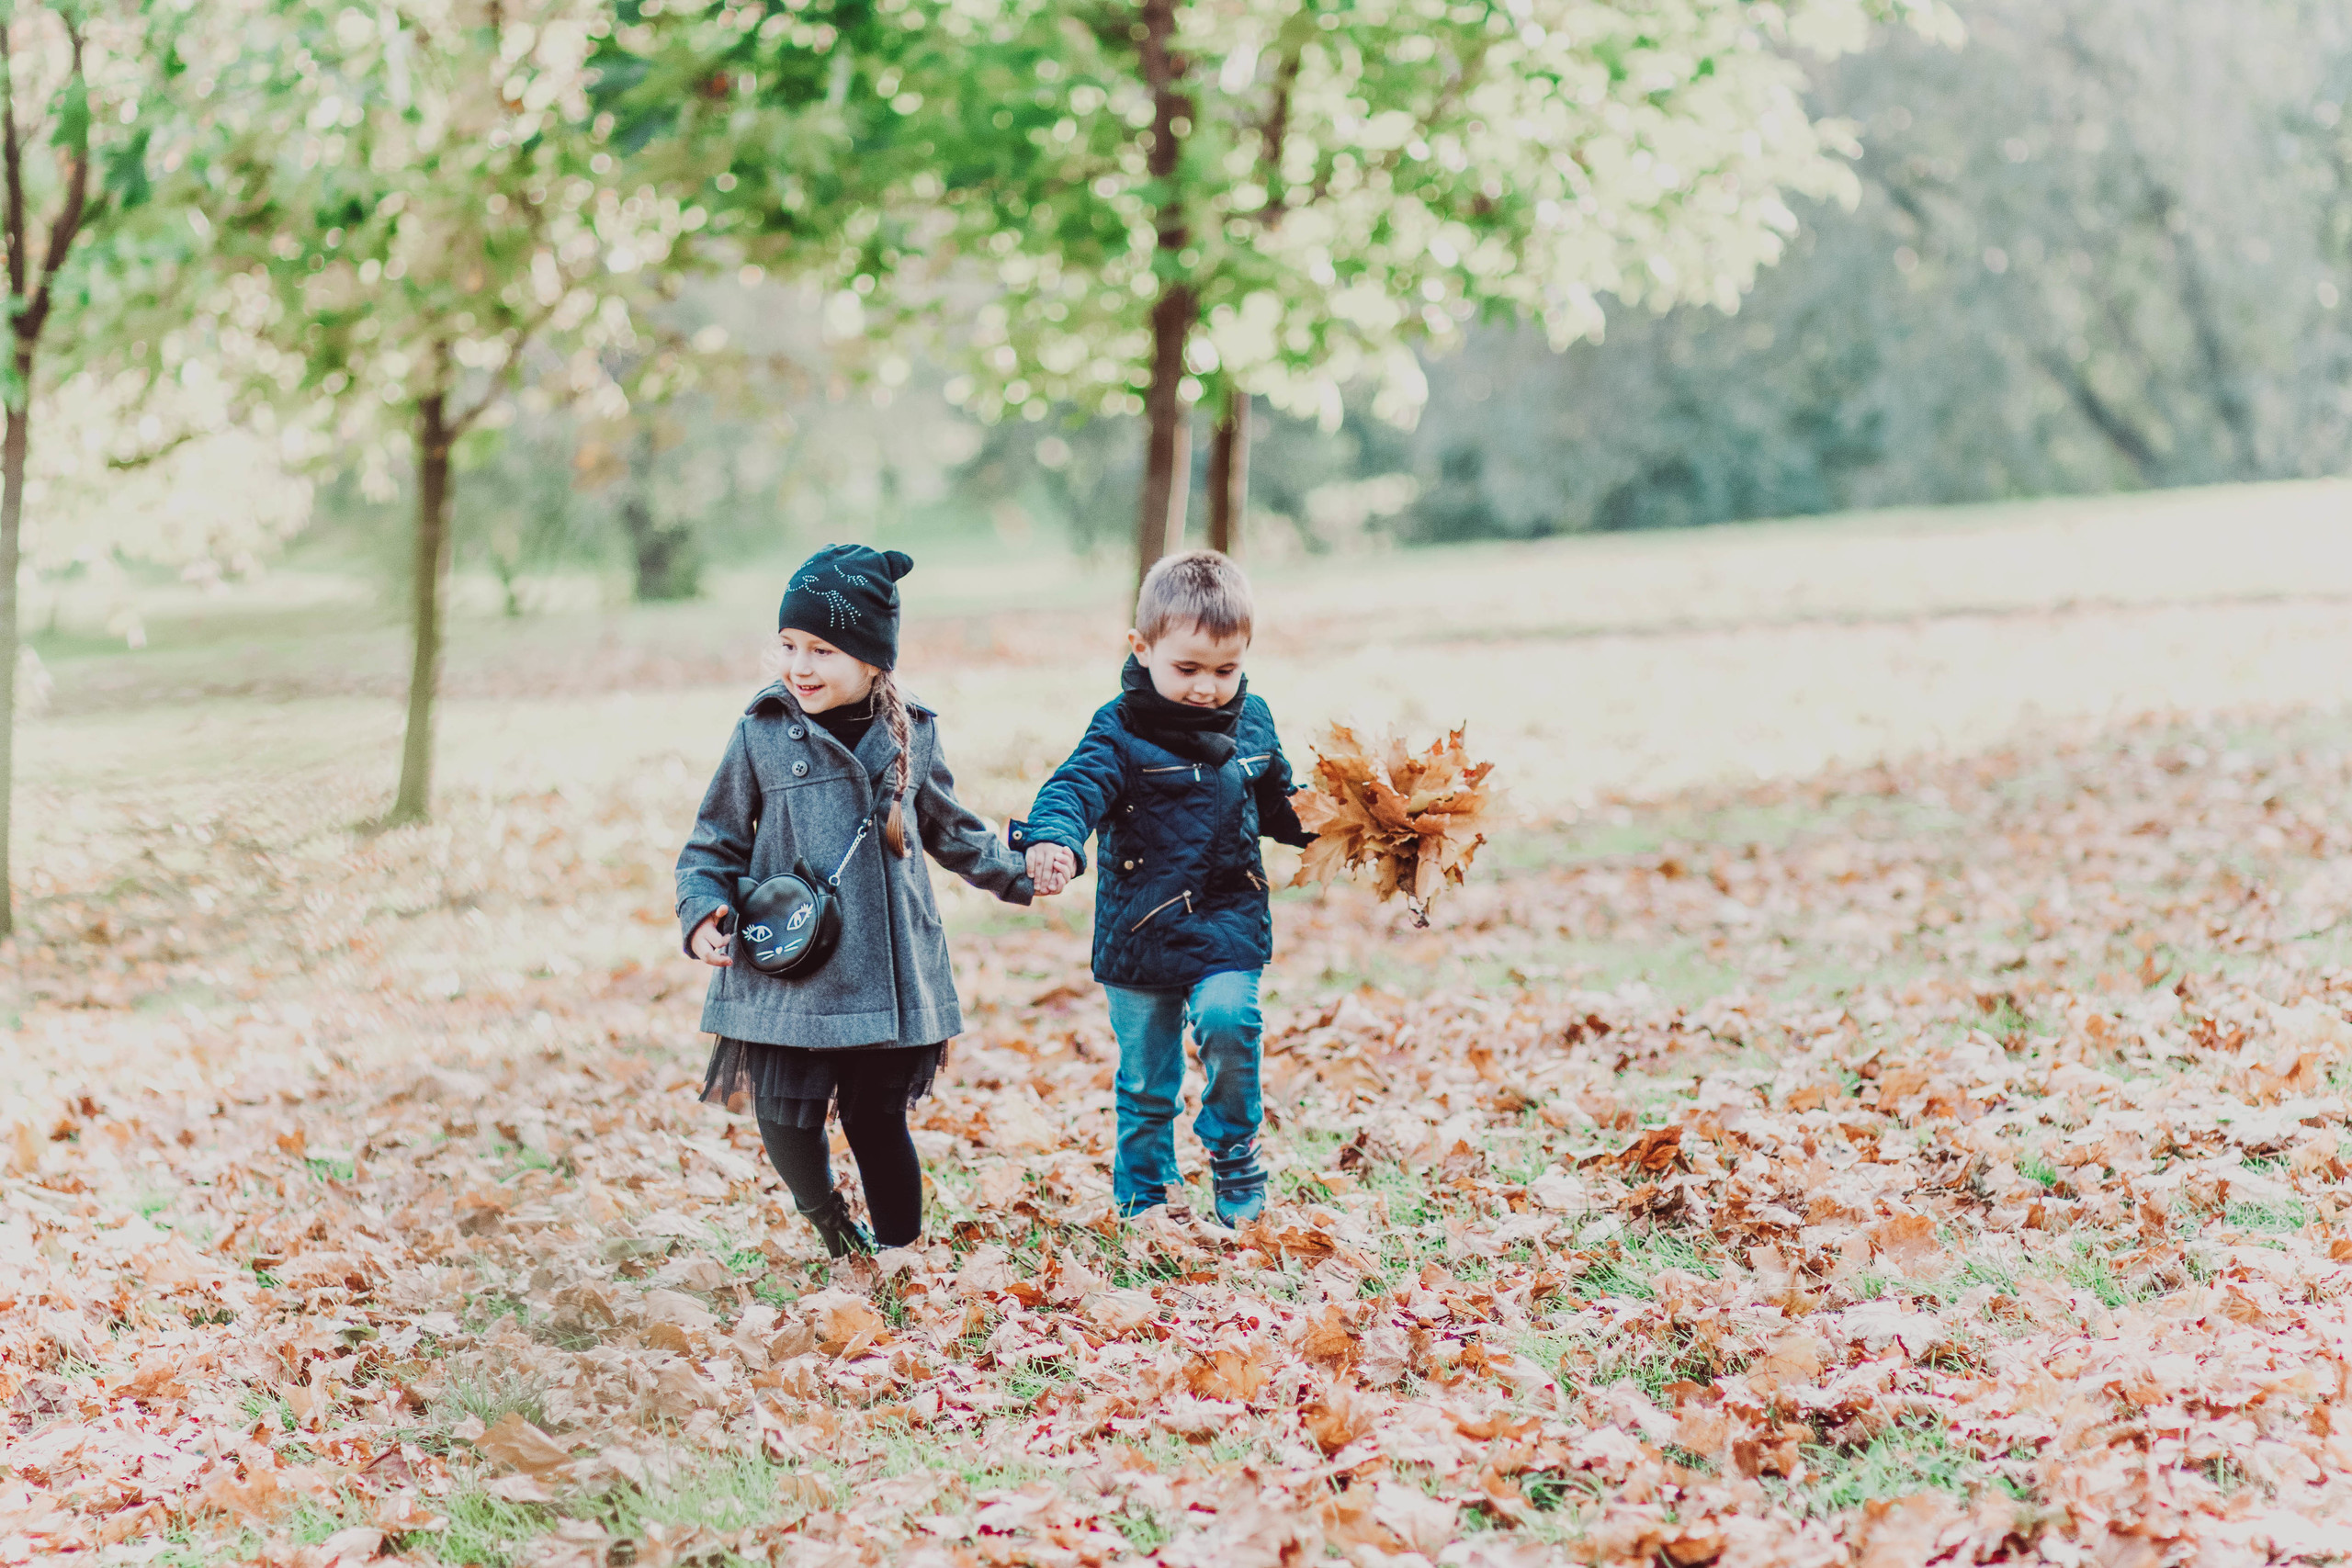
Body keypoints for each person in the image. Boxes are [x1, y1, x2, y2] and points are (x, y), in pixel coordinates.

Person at [677, 544, 1035, 1257]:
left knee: (877, 1119)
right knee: (784, 1117)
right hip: (791, 967)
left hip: (885, 968)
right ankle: (836, 1228)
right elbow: (712, 839)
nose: (799, 666)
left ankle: (901, 1254)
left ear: (874, 659)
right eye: (788, 644)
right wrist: (701, 912)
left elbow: (951, 829)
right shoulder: (762, 733)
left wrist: (1019, 872)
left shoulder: (911, 736)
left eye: (823, 649)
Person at [1016, 550, 1314, 1227]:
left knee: (1230, 1020)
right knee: (1148, 1081)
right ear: (1142, 648)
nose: (1208, 687)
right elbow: (1074, 786)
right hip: (1141, 928)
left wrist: (1355, 827)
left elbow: (1280, 807)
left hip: (1227, 916)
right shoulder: (1118, 729)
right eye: (1188, 669)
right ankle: (1146, 1193)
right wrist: (1054, 838)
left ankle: (1234, 1149)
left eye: (1226, 669)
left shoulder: (1253, 720)